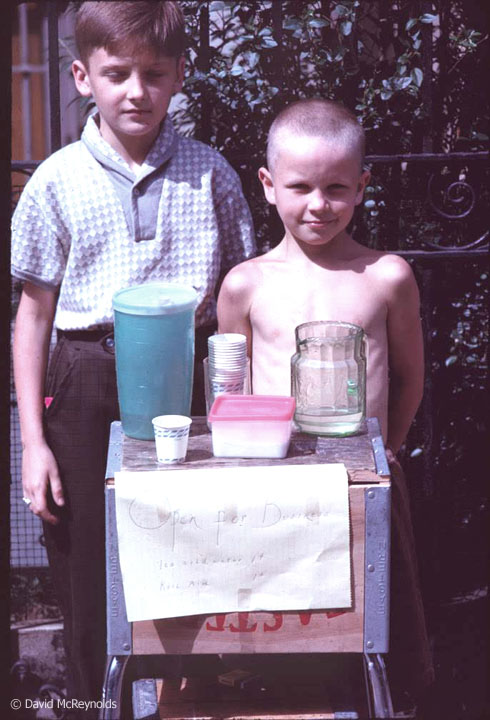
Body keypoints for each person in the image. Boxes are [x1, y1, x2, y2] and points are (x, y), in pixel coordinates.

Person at [11, 2, 255, 716]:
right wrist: (31, 444)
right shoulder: (54, 181)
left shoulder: (211, 174)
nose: (135, 91)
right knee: (87, 557)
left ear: (180, 76)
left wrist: (242, 404)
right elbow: (32, 316)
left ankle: (196, 699)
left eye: (153, 73)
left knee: (200, 542)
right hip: (84, 377)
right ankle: (98, 702)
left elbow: (240, 297)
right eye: (117, 74)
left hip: (191, 372)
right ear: (84, 77)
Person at [217, 98, 434, 711]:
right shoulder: (245, 284)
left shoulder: (386, 277)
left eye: (337, 187)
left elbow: (411, 376)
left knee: (371, 634)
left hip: (363, 486)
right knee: (284, 632)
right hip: (271, 492)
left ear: (362, 186)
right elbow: (226, 396)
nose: (319, 204)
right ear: (267, 186)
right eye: (301, 186)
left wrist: (385, 451)